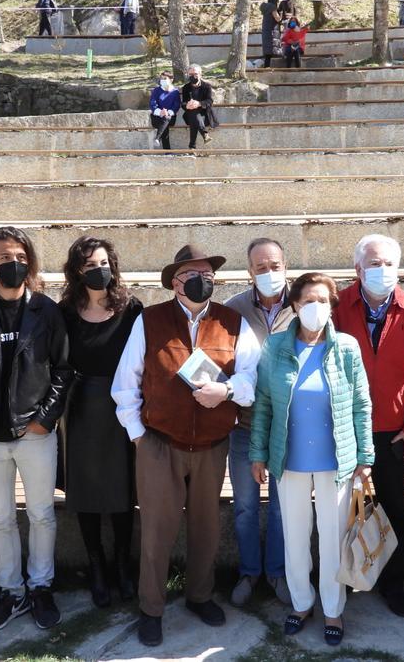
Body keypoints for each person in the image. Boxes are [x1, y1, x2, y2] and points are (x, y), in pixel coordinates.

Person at [111, 244, 262, 647]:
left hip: (212, 445)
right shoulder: (150, 321)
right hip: (160, 442)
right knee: (158, 531)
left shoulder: (232, 322)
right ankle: (151, 608)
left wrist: (227, 390)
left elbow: (252, 377)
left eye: (208, 275)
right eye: (193, 275)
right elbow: (126, 384)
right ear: (175, 283)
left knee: (206, 528)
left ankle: (199, 595)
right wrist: (139, 437)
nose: (203, 282)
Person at [0, 226, 72, 633]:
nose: (13, 264)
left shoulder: (46, 310)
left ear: (31, 262)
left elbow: (62, 369)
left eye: (20, 257)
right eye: (5, 257)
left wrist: (46, 418)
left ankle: (41, 586)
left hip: (34, 434)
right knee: (0, 519)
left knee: (41, 514)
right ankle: (12, 592)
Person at [250, 272, 374, 647]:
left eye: (323, 300)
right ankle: (302, 603)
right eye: (308, 301)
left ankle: (333, 608)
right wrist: (257, 454)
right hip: (288, 459)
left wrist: (365, 457)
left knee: (333, 537)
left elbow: (360, 404)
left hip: (337, 460)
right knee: (295, 535)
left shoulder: (347, 347)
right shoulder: (275, 347)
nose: (315, 308)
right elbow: (264, 406)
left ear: (332, 306)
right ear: (295, 306)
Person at [332, 234, 404, 618]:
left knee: (395, 511)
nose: (382, 270)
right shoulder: (337, 306)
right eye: (373, 264)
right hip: (344, 429)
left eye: (389, 263)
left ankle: (392, 582)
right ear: (358, 269)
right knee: (342, 510)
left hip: (393, 431)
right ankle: (342, 578)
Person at [58, 236, 143, 609]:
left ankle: (123, 564)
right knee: (87, 493)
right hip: (80, 408)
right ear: (78, 270)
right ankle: (96, 567)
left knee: (123, 492)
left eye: (104, 263)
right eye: (90, 265)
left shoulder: (132, 308)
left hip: (121, 407)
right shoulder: (66, 311)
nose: (99, 270)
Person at [223, 239, 296, 608]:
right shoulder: (233, 309)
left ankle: (279, 572)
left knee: (285, 506)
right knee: (246, 504)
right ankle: (249, 572)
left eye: (275, 265)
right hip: (246, 426)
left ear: (286, 264)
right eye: (261, 267)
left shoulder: (304, 305)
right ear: (249, 271)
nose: (269, 273)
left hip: (289, 426)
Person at [181, 64, 217, 149]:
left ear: (200, 74)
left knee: (194, 117)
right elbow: (183, 103)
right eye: (191, 74)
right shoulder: (186, 88)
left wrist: (199, 103)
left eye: (195, 74)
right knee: (193, 113)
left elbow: (209, 101)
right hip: (191, 113)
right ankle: (205, 134)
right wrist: (187, 106)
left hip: (204, 114)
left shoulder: (206, 86)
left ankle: (192, 146)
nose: (193, 76)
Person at [148, 71, 180, 151]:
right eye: (161, 79)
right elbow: (152, 104)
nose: (162, 80)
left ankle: (158, 138)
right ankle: (167, 151)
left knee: (166, 119)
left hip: (170, 117)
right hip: (157, 118)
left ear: (171, 79)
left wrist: (168, 113)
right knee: (165, 122)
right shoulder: (156, 90)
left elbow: (176, 105)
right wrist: (160, 112)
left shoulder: (175, 92)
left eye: (165, 79)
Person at [259, 0, 283, 68]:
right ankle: (268, 67)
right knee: (271, 48)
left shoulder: (265, 7)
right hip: (271, 30)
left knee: (267, 49)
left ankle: (267, 66)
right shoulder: (272, 7)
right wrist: (281, 14)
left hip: (265, 30)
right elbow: (277, 18)